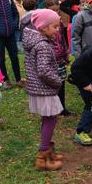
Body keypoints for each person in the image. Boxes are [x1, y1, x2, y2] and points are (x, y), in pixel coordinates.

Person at [22, 9, 64, 171]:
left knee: (48, 119)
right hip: (44, 89)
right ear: (43, 28)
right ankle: (42, 156)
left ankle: (48, 148)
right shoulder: (42, 46)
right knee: (50, 119)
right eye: (54, 26)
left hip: (37, 87)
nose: (57, 29)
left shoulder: (35, 41)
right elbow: (44, 71)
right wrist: (57, 81)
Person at [45, 0, 72, 116]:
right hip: (50, 60)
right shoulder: (44, 25)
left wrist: (66, 55)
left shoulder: (60, 23)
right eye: (52, 10)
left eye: (57, 10)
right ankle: (51, 108)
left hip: (60, 59)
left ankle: (62, 107)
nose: (55, 13)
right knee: (51, 84)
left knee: (61, 83)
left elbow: (63, 40)